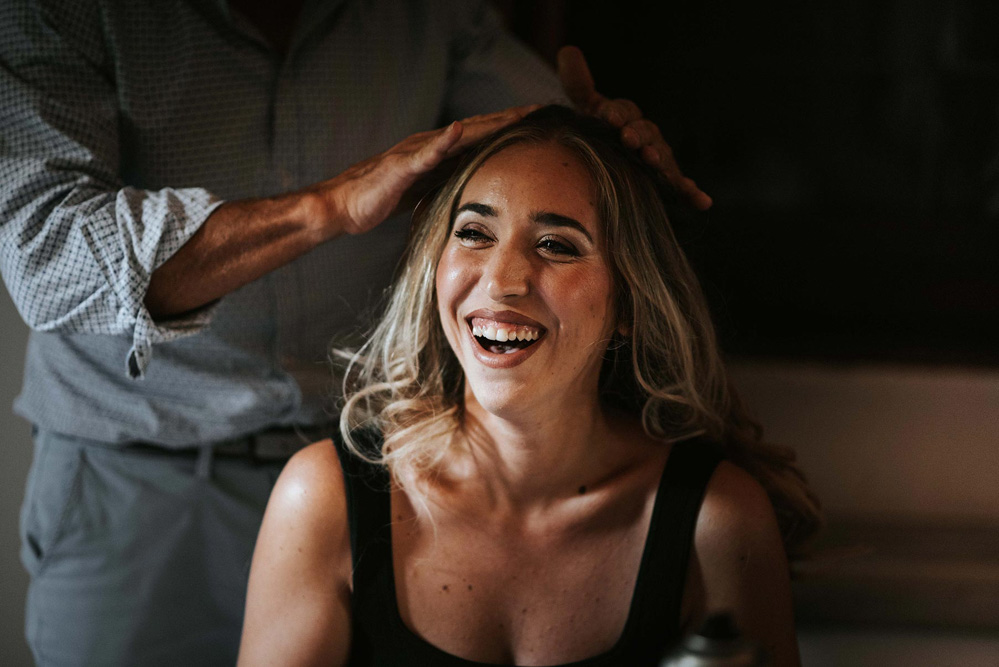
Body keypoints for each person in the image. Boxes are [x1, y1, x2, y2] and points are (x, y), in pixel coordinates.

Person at [0, 1, 710, 663]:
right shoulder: (66, 10)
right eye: (471, 237)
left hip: (364, 479)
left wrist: (606, 140)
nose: (503, 279)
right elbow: (48, 259)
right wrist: (330, 206)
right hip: (138, 478)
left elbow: (548, 148)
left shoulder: (430, 14)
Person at [240, 105, 821, 666]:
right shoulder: (324, 499)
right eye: (474, 233)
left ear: (629, 302)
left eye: (556, 245)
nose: (502, 280)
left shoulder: (716, 523)